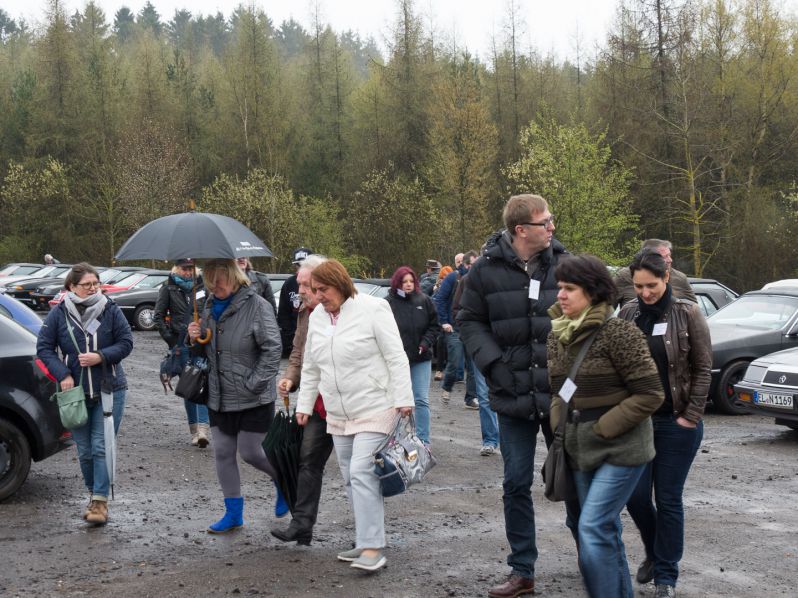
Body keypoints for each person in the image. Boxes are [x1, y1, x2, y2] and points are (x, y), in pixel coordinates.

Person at [457, 194, 573, 598]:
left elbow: (592, 316)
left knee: (573, 477)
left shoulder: (566, 264)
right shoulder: (484, 272)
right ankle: (522, 570)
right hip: (512, 395)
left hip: (561, 397)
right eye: (546, 222)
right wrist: (494, 366)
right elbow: (468, 320)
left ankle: (591, 555)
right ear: (521, 229)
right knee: (515, 482)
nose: (553, 227)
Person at [547, 254, 664, 598]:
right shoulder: (558, 333)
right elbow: (558, 391)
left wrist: (601, 428)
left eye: (570, 288)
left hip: (622, 449)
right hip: (579, 449)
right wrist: (562, 425)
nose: (560, 295)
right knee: (604, 531)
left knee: (593, 527)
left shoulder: (620, 333)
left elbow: (650, 394)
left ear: (594, 291)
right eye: (559, 288)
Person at [295, 259, 414, 572]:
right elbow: (311, 366)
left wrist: (404, 397)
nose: (318, 295)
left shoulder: (373, 309)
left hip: (375, 406)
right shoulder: (317, 317)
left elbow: (396, 356)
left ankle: (373, 548)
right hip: (337, 411)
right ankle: (364, 541)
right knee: (350, 477)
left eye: (324, 289)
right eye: (314, 290)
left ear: (341, 283)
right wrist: (304, 405)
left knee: (362, 472)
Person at [619, 249, 711, 598]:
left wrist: (690, 416)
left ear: (667, 278)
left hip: (677, 423)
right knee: (636, 496)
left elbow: (703, 368)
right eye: (639, 286)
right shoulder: (627, 314)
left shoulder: (688, 314)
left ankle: (666, 577)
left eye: (652, 285)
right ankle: (656, 552)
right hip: (638, 423)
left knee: (669, 498)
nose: (645, 292)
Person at [186, 259, 286, 533]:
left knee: (252, 452)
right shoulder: (206, 308)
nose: (215, 286)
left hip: (253, 395)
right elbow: (202, 352)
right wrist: (193, 337)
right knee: (223, 453)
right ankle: (233, 514)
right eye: (210, 281)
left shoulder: (257, 306)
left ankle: (286, 481)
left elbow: (273, 349)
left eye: (220, 280)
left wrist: (254, 382)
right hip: (219, 395)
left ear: (234, 277)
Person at [37, 262, 133, 525]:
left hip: (110, 388)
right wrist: (63, 374)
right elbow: (44, 348)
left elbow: (127, 343)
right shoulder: (59, 314)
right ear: (71, 287)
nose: (93, 288)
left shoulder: (110, 309)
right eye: (87, 284)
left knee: (102, 447)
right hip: (75, 393)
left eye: (96, 283)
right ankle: (94, 494)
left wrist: (100, 356)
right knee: (85, 451)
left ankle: (99, 503)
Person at [271, 254, 333, 546]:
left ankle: (370, 537)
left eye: (307, 285)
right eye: (300, 284)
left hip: (349, 402)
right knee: (307, 460)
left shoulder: (345, 310)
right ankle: (302, 524)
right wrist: (290, 378)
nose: (302, 291)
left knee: (357, 471)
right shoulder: (305, 313)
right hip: (315, 402)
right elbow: (298, 354)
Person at [153, 258, 210, 447]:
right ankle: (194, 430)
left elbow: (209, 311)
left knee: (201, 382)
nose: (187, 273)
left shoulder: (203, 286)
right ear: (176, 269)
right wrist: (170, 339)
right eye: (184, 269)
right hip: (180, 343)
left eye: (190, 269)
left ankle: (203, 430)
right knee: (189, 385)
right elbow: (158, 316)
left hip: (202, 342)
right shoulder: (168, 288)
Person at [386, 266, 440, 445]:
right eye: (404, 282)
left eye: (411, 281)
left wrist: (425, 344)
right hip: (396, 360)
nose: (408, 285)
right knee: (396, 401)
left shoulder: (424, 300)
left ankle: (423, 440)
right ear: (397, 283)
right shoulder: (388, 303)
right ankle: (395, 439)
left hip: (420, 359)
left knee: (420, 399)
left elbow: (434, 326)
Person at [434, 251, 478, 409]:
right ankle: (446, 387)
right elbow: (439, 298)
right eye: (473, 264)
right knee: (454, 361)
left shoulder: (478, 280)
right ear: (466, 265)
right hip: (454, 328)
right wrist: (444, 321)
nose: (475, 267)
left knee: (473, 366)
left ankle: (471, 398)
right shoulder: (453, 278)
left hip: (471, 329)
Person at [614, 239, 697, 307]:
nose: (670, 260)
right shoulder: (624, 277)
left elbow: (694, 310)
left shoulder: (679, 278)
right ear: (647, 257)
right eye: (664, 256)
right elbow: (607, 308)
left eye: (669, 255)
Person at [277, 247, 312, 357]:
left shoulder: (320, 283)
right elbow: (283, 314)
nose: (301, 268)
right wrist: (292, 336)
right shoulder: (289, 284)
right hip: (293, 340)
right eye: (299, 265)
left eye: (305, 264)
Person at [432, 265, 453, 381]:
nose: (444, 279)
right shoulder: (438, 287)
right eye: (442, 277)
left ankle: (453, 372)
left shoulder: (456, 285)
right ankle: (439, 370)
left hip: (453, 319)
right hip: (442, 319)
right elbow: (434, 301)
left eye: (446, 277)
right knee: (441, 343)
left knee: (453, 346)